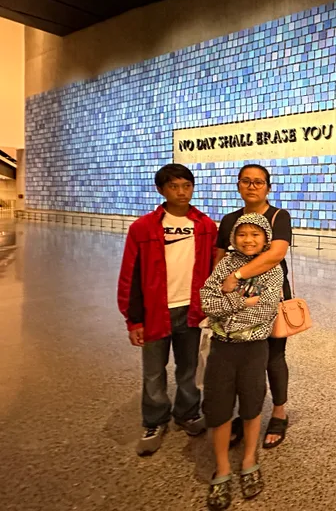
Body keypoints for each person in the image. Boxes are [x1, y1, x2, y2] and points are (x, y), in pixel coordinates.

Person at [117, 164, 218, 456]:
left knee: (188, 368)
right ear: (160, 190)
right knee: (152, 372)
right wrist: (133, 319)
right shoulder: (143, 227)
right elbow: (130, 275)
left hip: (192, 311)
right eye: (174, 186)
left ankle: (187, 413)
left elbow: (213, 269)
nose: (181, 192)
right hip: (154, 312)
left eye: (187, 186)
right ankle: (154, 419)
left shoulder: (205, 226)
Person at [201, 213, 284, 509]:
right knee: (219, 409)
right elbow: (207, 303)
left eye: (255, 235)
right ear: (234, 237)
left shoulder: (272, 270)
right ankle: (222, 469)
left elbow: (265, 311)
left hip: (253, 348)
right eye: (242, 234)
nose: (248, 240)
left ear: (266, 239)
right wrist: (241, 302)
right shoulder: (224, 265)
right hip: (222, 349)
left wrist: (229, 306)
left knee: (251, 405)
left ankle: (249, 460)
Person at [215, 164, 292, 449]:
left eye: (258, 182)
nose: (252, 186)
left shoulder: (278, 217)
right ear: (238, 185)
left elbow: (276, 254)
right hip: (236, 298)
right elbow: (220, 259)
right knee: (245, 358)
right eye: (246, 181)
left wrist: (236, 276)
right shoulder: (229, 220)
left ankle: (279, 412)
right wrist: (219, 294)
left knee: (273, 355)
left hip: (271, 294)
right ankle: (248, 415)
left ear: (268, 188)